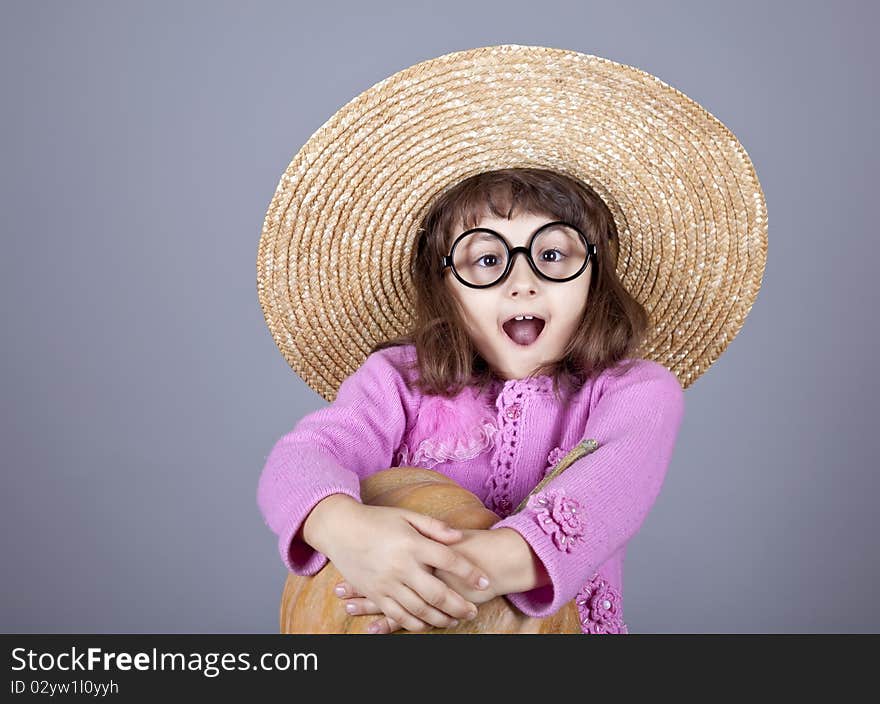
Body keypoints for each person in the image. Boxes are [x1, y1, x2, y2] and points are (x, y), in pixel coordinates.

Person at [255, 46, 767, 635]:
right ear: (443, 285)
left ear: (596, 275)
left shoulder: (636, 395)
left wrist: (439, 575)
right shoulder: (397, 383)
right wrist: (347, 530)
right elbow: (299, 461)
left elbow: (603, 505)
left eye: (552, 255)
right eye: (487, 260)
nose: (522, 283)